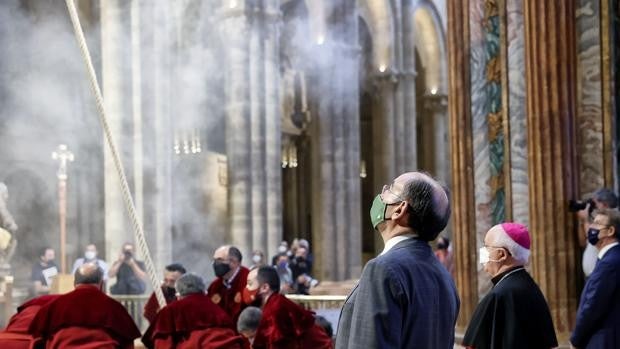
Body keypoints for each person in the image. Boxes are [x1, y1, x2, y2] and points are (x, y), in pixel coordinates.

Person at [335, 172, 459, 349]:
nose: (383, 192)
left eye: (391, 189)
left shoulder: (383, 269)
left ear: (399, 210)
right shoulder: (444, 276)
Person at [462, 223, 558, 349]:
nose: (483, 252)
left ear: (501, 254)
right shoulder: (531, 287)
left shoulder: (497, 296)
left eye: (486, 247)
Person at [28, 263, 141, 348]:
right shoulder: (115, 308)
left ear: (74, 283)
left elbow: (37, 341)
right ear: (101, 284)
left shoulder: (52, 306)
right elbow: (128, 344)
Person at [143, 272, 246, 349]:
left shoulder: (169, 311)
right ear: (204, 292)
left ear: (178, 295)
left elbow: (162, 343)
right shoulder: (218, 310)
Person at [244, 266, 332, 349]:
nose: (246, 288)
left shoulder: (277, 309)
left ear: (265, 287)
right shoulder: (274, 304)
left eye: (250, 284)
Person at [571, 208, 620, 348]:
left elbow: (592, 306)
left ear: (610, 231)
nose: (591, 227)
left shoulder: (609, 264)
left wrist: (575, 339)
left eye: (597, 224)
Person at [575, 188, 618, 277]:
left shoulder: (614, 222)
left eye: (594, 204)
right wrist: (581, 221)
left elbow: (595, 239)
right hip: (592, 276)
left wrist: (586, 219)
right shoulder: (597, 221)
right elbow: (583, 242)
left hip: (602, 275)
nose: (592, 207)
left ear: (605, 205)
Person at [208, 245, 249, 322]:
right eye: (214, 260)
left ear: (234, 262)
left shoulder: (248, 281)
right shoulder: (214, 286)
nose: (214, 264)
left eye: (219, 260)